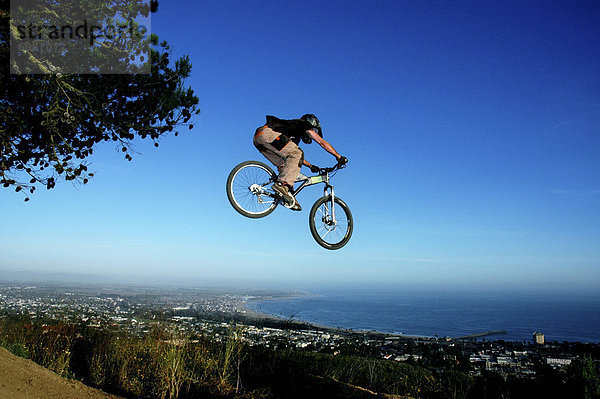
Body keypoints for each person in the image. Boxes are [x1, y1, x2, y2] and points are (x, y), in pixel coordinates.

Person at [253, 114, 347, 211]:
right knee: (297, 153)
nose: (313, 133)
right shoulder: (304, 124)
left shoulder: (293, 136)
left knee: (287, 165)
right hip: (268, 133)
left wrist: (311, 166)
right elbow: (321, 142)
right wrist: (338, 156)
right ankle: (281, 185)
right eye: (314, 131)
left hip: (259, 138)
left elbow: (295, 158)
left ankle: (287, 197)